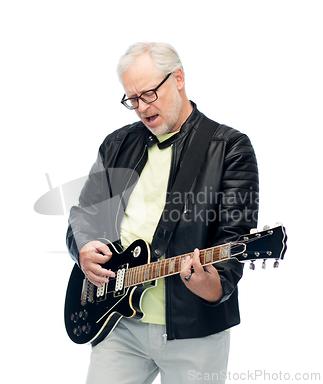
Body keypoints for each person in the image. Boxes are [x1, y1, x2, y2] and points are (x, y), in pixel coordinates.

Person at [66, 42, 259, 384]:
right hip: (118, 323)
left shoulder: (229, 148)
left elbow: (234, 244)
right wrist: (82, 248)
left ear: (179, 79)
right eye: (132, 99)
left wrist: (209, 282)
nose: (141, 107)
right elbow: (84, 214)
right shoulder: (117, 144)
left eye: (149, 94)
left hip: (195, 333)